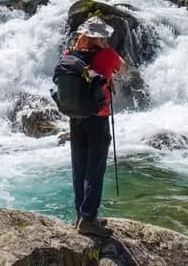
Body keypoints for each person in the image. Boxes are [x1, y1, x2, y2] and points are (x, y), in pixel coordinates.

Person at [67, 16, 124, 238]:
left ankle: (79, 216)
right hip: (98, 117)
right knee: (95, 168)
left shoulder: (70, 54)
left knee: (79, 168)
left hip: (76, 117)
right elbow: (123, 69)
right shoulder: (107, 54)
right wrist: (108, 48)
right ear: (101, 37)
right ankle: (89, 219)